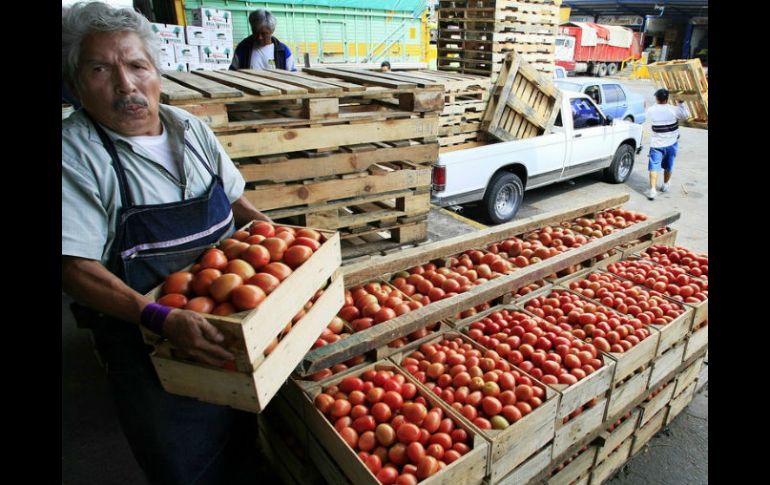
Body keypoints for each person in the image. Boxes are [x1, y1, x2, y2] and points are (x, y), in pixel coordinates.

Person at [62, 3, 271, 484]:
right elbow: (72, 266)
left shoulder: (190, 128)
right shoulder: (76, 155)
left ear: (157, 71)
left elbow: (237, 202)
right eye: (101, 69)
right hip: (151, 350)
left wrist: (284, 241)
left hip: (233, 330)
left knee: (248, 445)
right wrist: (159, 316)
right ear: (75, 86)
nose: (126, 84)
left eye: (137, 65)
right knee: (187, 465)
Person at [643, 88, 689, 200]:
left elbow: (645, 114)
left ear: (657, 98)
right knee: (668, 166)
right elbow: (686, 115)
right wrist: (681, 103)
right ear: (667, 99)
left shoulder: (652, 109)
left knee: (653, 167)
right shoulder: (673, 110)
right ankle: (665, 184)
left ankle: (653, 190)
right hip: (671, 144)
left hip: (656, 144)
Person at [230, 9, 296, 71]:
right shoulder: (242, 48)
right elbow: (232, 73)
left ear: (271, 31)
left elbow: (293, 75)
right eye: (255, 32)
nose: (259, 37)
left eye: (264, 34)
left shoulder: (283, 51)